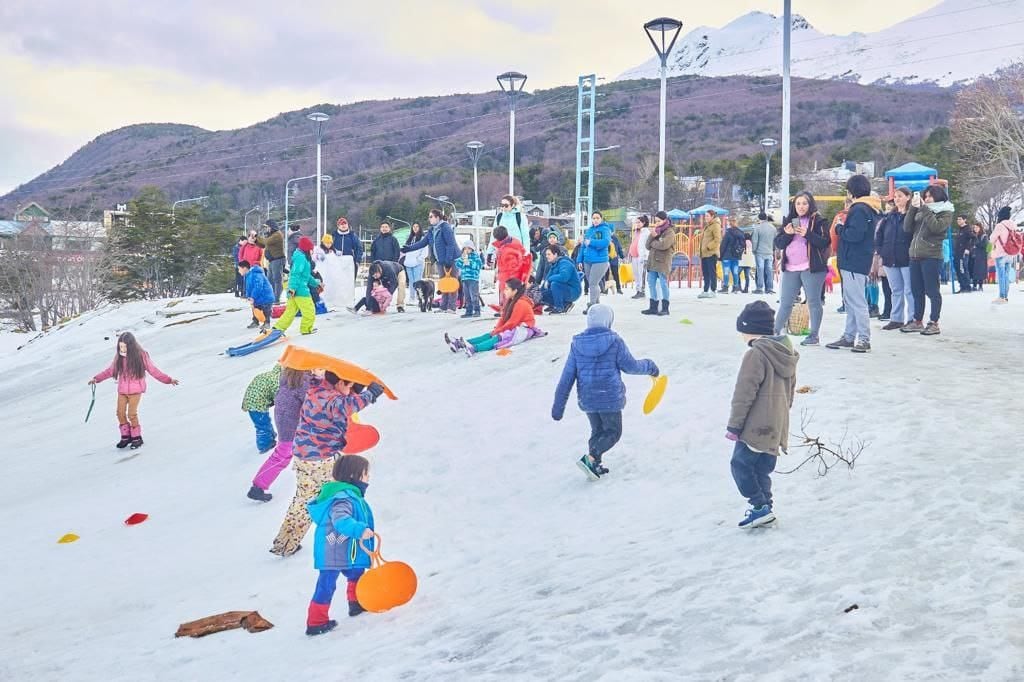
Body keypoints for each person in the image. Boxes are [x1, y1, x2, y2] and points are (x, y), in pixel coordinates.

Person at [270, 372, 385, 557]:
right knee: (336, 496)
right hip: (319, 459)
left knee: (303, 500)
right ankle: (346, 532)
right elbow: (346, 405)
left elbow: (343, 400)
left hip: (303, 455)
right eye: (348, 387)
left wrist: (357, 390)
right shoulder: (330, 400)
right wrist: (369, 394)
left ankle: (285, 543)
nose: (349, 392)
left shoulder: (316, 389)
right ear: (339, 382)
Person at [551, 304, 659, 479]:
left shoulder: (577, 344)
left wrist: (558, 407)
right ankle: (592, 457)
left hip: (588, 399)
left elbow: (567, 377)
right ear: (608, 321)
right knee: (613, 432)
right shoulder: (614, 341)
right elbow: (631, 366)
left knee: (597, 431)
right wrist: (650, 366)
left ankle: (593, 464)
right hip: (609, 398)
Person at [727, 301, 798, 529]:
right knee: (761, 469)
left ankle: (759, 506)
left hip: (756, 426)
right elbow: (790, 391)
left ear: (749, 330)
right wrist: (781, 418)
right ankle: (766, 508)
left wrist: (734, 426)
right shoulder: (787, 352)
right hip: (776, 424)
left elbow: (744, 393)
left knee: (740, 465)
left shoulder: (756, 355)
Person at [305, 454, 376, 636]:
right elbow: (341, 520)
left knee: (356, 573)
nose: (368, 478)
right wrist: (360, 530)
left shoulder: (350, 495)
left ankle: (356, 603)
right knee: (327, 584)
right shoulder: (342, 498)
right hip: (333, 549)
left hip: (345, 550)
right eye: (366, 474)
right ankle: (316, 622)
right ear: (354, 476)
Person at [89, 332, 178, 450]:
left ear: (131, 346)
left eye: (125, 347)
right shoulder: (119, 357)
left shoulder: (141, 355)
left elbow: (154, 371)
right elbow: (110, 370)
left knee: (132, 413)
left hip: (136, 391)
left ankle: (137, 437)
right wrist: (96, 378)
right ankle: (126, 436)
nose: (122, 349)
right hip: (122, 391)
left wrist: (168, 380)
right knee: (120, 413)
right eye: (120, 346)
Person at [826, 175, 880, 352]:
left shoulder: (859, 209)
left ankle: (864, 338)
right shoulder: (871, 208)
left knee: (857, 301)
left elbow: (854, 235)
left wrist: (840, 227)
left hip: (853, 260)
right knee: (851, 300)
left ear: (852, 191)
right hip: (859, 259)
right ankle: (849, 336)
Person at [248, 367, 314, 502]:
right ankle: (257, 487)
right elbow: (311, 403)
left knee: (284, 455)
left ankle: (258, 486)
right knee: (281, 457)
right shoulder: (302, 383)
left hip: (285, 423)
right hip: (290, 427)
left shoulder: (288, 379)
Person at [773, 191, 830, 346]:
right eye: (798, 203)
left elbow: (825, 242)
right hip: (791, 267)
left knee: (813, 301)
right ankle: (775, 332)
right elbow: (779, 243)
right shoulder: (790, 221)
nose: (801, 207)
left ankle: (814, 335)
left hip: (811, 268)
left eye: (804, 203)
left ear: (810, 204)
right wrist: (787, 234)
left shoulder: (819, 221)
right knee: (785, 302)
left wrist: (808, 234)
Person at [445, 279, 545, 356]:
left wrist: (498, 331)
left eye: (507, 289)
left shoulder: (521, 303)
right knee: (491, 334)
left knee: (501, 336)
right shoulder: (512, 300)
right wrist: (497, 329)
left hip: (524, 329)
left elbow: (512, 323)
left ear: (515, 291)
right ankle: (459, 343)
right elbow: (504, 318)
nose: (504, 291)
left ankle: (474, 348)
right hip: (516, 327)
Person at [902, 185, 953, 335]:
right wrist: (912, 208)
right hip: (915, 255)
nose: (927, 199)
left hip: (931, 255)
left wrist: (925, 209)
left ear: (938, 196)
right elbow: (907, 227)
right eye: (925, 196)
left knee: (932, 291)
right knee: (916, 290)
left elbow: (936, 227)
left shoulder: (946, 211)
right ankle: (917, 320)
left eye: (930, 196)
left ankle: (934, 321)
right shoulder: (921, 210)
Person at [403, 209, 459, 313]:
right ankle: (443, 306)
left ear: (437, 217)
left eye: (431, 217)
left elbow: (451, 244)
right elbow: (422, 243)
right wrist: (409, 248)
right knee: (444, 283)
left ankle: (451, 307)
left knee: (451, 282)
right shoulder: (431, 230)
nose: (429, 219)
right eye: (429, 217)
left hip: (451, 260)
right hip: (440, 261)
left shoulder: (445, 228)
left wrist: (448, 260)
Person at [875, 188, 915, 330]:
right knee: (895, 290)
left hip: (907, 258)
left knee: (909, 290)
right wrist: (881, 251)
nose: (897, 199)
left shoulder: (912, 215)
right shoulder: (889, 217)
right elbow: (879, 235)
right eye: (896, 197)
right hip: (889, 257)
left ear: (908, 197)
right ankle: (896, 318)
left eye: (900, 196)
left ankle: (912, 318)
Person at [274, 237, 318, 336]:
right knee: (309, 310)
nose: (312, 251)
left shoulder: (300, 257)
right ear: (307, 249)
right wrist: (293, 289)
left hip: (294, 289)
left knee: (290, 311)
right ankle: (306, 329)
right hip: (300, 290)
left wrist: (316, 283)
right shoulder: (301, 258)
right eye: (311, 249)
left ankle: (278, 327)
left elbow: (306, 276)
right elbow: (295, 274)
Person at [241, 364, 282, 455]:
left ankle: (271, 435)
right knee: (262, 425)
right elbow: (278, 395)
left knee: (265, 421)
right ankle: (264, 445)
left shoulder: (268, 375)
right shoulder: (277, 380)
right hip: (257, 404)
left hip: (250, 400)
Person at [576, 211, 612, 313]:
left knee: (593, 283)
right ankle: (596, 306)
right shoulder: (589, 230)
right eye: (594, 218)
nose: (595, 220)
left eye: (597, 218)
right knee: (592, 283)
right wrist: (579, 260)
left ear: (601, 219)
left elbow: (605, 242)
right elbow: (583, 246)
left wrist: (591, 242)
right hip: (588, 260)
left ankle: (592, 305)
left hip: (600, 261)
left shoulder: (605, 229)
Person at [642, 210, 675, 317]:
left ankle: (665, 307)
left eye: (659, 221)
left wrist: (654, 241)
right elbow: (647, 245)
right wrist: (653, 236)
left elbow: (664, 245)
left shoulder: (670, 232)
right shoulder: (655, 230)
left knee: (663, 284)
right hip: (652, 262)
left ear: (665, 220)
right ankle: (653, 306)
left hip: (663, 262)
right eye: (655, 221)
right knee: (651, 283)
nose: (657, 223)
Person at [492, 225, 529, 306]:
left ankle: (507, 309)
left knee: (508, 291)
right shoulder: (514, 243)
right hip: (509, 274)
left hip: (508, 274)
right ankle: (505, 308)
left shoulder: (507, 248)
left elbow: (511, 266)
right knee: (508, 292)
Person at [540, 244, 581, 314]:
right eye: (546, 254)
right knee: (542, 294)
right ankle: (562, 304)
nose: (546, 256)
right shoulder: (554, 264)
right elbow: (546, 281)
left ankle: (559, 307)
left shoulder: (565, 263)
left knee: (555, 284)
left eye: (549, 254)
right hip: (564, 289)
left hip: (573, 291)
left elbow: (564, 277)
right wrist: (539, 294)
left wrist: (550, 279)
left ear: (555, 254)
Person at [238, 260, 275, 332]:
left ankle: (267, 323)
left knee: (265, 310)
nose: (239, 271)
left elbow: (258, 286)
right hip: (258, 297)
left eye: (239, 269)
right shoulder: (248, 275)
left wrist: (253, 297)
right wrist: (248, 296)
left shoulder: (256, 274)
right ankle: (255, 321)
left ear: (244, 268)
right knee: (255, 309)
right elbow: (249, 287)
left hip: (265, 297)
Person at [990, 207, 1018, 303]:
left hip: (1000, 254)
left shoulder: (1000, 225)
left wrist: (989, 250)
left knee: (1001, 276)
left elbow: (992, 239)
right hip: (1010, 254)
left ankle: (1002, 297)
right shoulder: (1013, 225)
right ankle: (1005, 297)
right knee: (1006, 275)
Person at [402, 222, 429, 307]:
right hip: (409, 263)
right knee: (411, 282)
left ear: (420, 228)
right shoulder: (409, 238)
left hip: (418, 263)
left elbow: (425, 251)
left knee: (418, 281)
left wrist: (419, 259)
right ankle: (412, 298)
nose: (415, 228)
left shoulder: (423, 238)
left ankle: (419, 298)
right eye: (414, 226)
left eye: (417, 226)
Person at [698, 209, 723, 298]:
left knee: (712, 272)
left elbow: (718, 239)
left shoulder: (715, 225)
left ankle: (713, 290)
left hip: (711, 253)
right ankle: (705, 290)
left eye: (707, 216)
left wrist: (709, 246)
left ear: (712, 216)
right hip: (704, 253)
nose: (706, 218)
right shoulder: (707, 226)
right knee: (705, 273)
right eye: (705, 216)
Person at [331, 218, 364, 284]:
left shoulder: (353, 236)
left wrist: (357, 261)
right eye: (341, 224)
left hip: (350, 263)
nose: (343, 225)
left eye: (345, 223)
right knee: (336, 282)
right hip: (337, 263)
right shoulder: (334, 236)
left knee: (349, 283)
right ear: (338, 226)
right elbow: (329, 247)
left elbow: (359, 248)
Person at [751, 212, 776, 294]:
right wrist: (773, 250)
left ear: (759, 218)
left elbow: (755, 240)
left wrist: (754, 250)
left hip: (760, 252)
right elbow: (775, 241)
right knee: (769, 270)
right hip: (769, 252)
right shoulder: (773, 228)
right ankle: (770, 288)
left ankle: (759, 288)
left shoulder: (757, 228)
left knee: (760, 270)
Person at [719, 218, 746, 294]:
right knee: (735, 272)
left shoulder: (728, 233)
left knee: (726, 272)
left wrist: (720, 256)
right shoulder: (741, 233)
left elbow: (723, 245)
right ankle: (736, 287)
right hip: (736, 256)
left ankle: (725, 287)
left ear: (729, 224)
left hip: (727, 256)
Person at [628, 216, 651, 299]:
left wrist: (645, 256)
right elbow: (633, 243)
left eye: (639, 222)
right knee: (636, 274)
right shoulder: (636, 232)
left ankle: (642, 290)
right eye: (636, 222)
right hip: (634, 256)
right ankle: (638, 290)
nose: (637, 224)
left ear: (643, 223)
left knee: (641, 274)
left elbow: (647, 245)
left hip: (641, 257)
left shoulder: (646, 232)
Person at [458, 243, 483, 318]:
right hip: (465, 279)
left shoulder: (475, 257)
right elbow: (459, 265)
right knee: (467, 296)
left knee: (474, 296)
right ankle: (469, 311)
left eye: (468, 248)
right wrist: (461, 260)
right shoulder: (463, 257)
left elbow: (478, 265)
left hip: (473, 279)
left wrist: (469, 262)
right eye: (465, 249)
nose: (467, 250)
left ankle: (477, 310)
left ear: (472, 249)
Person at [264, 219, 286, 303]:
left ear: (271, 227)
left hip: (277, 260)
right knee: (270, 279)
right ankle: (272, 296)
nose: (267, 229)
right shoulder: (271, 234)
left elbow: (266, 242)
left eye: (268, 227)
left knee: (277, 280)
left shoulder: (277, 234)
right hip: (271, 260)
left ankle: (276, 298)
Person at [954, 215, 975, 293]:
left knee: (962, 269)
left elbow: (974, 239)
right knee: (958, 270)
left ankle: (967, 287)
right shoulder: (960, 230)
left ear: (964, 220)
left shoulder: (967, 229)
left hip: (963, 253)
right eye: (957, 219)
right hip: (957, 253)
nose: (958, 221)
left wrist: (968, 249)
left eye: (960, 219)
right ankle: (962, 286)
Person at [971, 222, 989, 293]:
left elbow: (984, 245)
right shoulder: (973, 235)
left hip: (981, 256)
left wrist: (976, 244)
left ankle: (980, 286)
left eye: (977, 227)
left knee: (980, 271)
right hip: (974, 255)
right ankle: (974, 285)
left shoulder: (984, 236)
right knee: (974, 271)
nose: (975, 229)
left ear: (980, 228)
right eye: (974, 227)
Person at [606, 230, 626, 295]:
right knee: (605, 274)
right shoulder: (605, 237)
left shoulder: (615, 238)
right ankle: (605, 289)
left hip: (614, 259)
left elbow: (619, 248)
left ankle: (618, 288)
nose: (610, 233)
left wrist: (622, 256)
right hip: (606, 259)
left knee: (616, 274)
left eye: (611, 232)